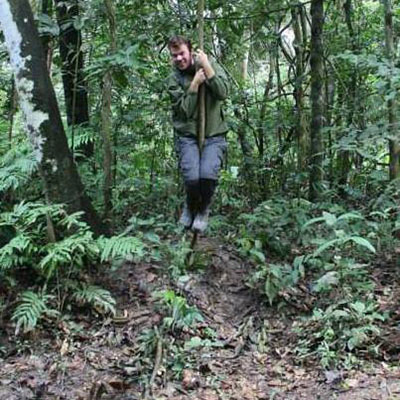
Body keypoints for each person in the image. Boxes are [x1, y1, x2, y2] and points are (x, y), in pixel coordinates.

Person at [166, 35, 229, 233]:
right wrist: (194, 85)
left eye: (182, 53)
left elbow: (223, 93)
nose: (179, 59)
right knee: (192, 177)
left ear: (190, 51)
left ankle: (202, 210)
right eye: (174, 55)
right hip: (187, 136)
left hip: (214, 134)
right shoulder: (173, 79)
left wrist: (207, 69)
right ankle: (190, 206)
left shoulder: (209, 65)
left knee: (208, 175)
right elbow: (183, 112)